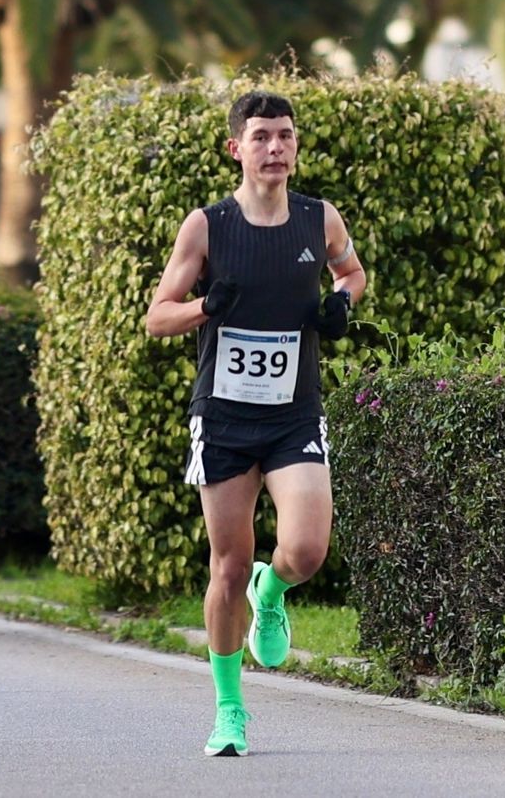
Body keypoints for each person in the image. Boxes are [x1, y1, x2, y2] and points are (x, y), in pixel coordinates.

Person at [145, 91, 367, 758]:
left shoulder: (318, 219)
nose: (275, 147)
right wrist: (205, 308)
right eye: (262, 136)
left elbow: (351, 271)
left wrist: (341, 304)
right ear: (235, 148)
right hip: (224, 417)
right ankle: (229, 710)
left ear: (296, 147)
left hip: (293, 413)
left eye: (286, 136)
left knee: (304, 552)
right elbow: (158, 315)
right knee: (228, 566)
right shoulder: (207, 226)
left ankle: (274, 595)